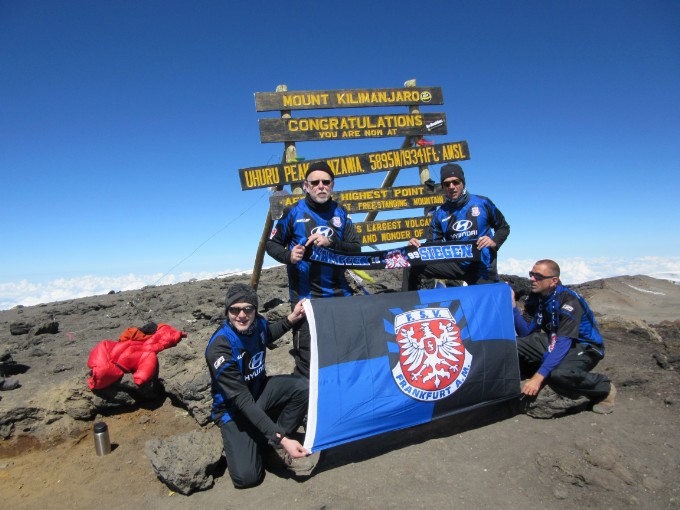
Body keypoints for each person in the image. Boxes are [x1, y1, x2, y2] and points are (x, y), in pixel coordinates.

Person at [205, 283, 314, 488]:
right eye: (235, 310)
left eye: (248, 309)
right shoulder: (220, 347)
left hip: (259, 391)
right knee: (247, 478)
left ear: (255, 310)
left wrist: (292, 318)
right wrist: (283, 439)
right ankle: (269, 437)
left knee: (303, 387)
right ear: (227, 312)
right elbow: (242, 400)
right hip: (233, 410)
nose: (242, 315)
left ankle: (273, 442)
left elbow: (268, 334)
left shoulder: (258, 325)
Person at [266, 161, 360, 378]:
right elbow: (272, 244)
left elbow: (355, 249)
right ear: (306, 186)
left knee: (344, 355)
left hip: (340, 296)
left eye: (325, 182)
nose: (321, 186)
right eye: (315, 182)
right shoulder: (293, 211)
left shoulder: (341, 213)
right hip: (305, 300)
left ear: (332, 185)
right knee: (308, 360)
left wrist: (332, 243)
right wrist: (288, 256)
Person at [512, 259, 616, 414]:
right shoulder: (537, 297)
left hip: (585, 346)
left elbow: (563, 343)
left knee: (560, 374)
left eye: (538, 276)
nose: (532, 279)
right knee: (513, 345)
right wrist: (513, 306)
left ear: (553, 281)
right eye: (531, 274)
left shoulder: (569, 301)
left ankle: (604, 388)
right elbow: (526, 333)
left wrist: (537, 378)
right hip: (554, 340)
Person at [402, 163, 510, 291]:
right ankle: (410, 307)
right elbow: (432, 245)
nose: (451, 187)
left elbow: (503, 227)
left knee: (484, 306)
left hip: (482, 266)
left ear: (463, 183)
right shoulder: (440, 214)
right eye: (447, 184)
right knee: (411, 264)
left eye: (455, 182)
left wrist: (494, 242)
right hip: (456, 265)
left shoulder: (483, 203)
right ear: (443, 187)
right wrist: (417, 248)